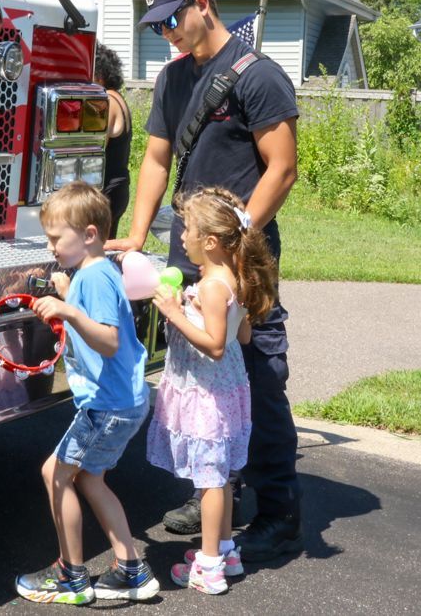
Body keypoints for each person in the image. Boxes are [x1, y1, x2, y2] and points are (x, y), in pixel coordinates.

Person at [105, 0, 303, 562]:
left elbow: (282, 169)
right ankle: (214, 489)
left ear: (202, 3)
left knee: (257, 376)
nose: (166, 32)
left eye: (172, 20)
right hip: (189, 252)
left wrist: (238, 238)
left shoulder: (257, 75)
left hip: (242, 258)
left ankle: (278, 512)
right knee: (199, 380)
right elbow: (156, 161)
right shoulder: (172, 79)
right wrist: (136, 234)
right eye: (156, 25)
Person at [15, 182, 159, 605]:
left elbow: (109, 341)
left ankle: (71, 577)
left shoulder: (94, 278)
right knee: (91, 479)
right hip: (123, 400)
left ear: (90, 234)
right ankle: (131, 570)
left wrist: (68, 311)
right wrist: (67, 294)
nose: (51, 246)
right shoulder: (97, 271)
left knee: (55, 474)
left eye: (56, 238)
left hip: (106, 405)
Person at [147, 187, 279, 595]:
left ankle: (208, 568)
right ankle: (224, 551)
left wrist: (175, 313)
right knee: (219, 476)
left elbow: (217, 345)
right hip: (226, 390)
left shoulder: (212, 287)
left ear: (209, 242)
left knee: (209, 480)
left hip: (207, 393)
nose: (181, 236)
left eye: (186, 228)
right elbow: (244, 335)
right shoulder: (232, 278)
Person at [94, 42, 132, 239]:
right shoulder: (118, 98)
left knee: (96, 248)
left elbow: (97, 148)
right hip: (119, 186)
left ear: (100, 75)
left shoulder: (106, 100)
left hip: (108, 189)